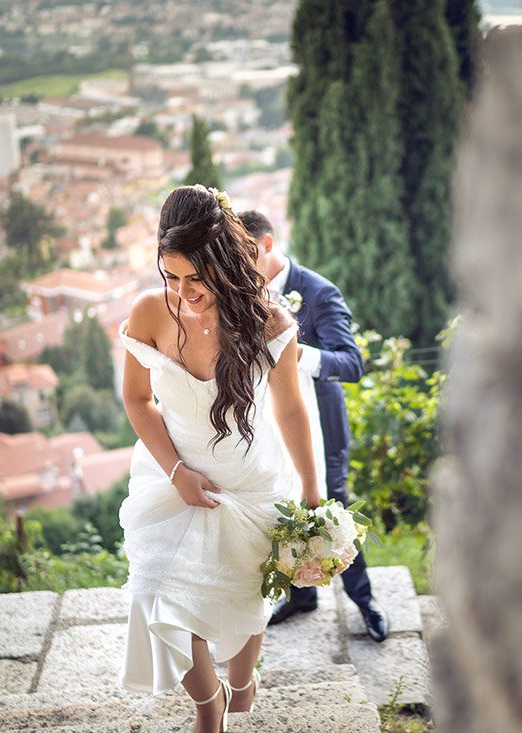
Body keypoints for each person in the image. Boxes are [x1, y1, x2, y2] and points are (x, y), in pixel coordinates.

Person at [117, 185, 319, 733]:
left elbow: (293, 412)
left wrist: (311, 491)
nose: (183, 292)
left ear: (225, 263)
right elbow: (137, 400)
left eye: (196, 277)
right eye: (172, 276)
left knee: (244, 602)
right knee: (157, 593)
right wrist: (177, 472)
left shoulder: (270, 324)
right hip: (175, 481)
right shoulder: (149, 313)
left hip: (254, 484)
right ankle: (210, 707)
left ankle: (242, 682)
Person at [238, 210, 390, 643]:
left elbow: (353, 363)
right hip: (269, 419)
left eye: (246, 254)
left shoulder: (318, 292)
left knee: (330, 505)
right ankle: (301, 595)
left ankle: (365, 602)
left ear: (267, 245)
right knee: (283, 503)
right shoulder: (241, 293)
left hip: (322, 423)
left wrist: (292, 351)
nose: (239, 266)